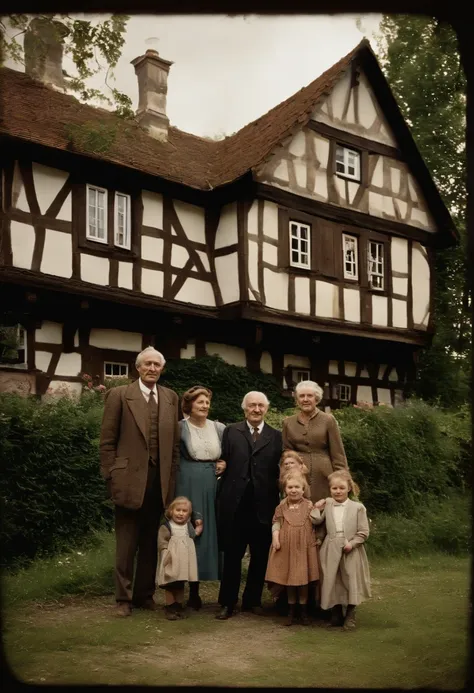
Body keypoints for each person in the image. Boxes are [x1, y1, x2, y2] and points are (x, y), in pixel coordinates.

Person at [99, 346, 180, 617]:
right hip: (128, 479)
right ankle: (123, 598)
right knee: (126, 543)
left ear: (162, 369)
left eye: (157, 364)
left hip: (159, 481)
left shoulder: (170, 398)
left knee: (149, 542)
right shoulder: (120, 395)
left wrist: (172, 481)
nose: (152, 368)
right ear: (138, 367)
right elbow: (107, 441)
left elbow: (175, 448)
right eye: (147, 364)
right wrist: (111, 476)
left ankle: (145, 595)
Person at [215, 391, 282, 620]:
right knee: (233, 556)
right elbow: (222, 460)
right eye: (252, 405)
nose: (256, 409)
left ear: (266, 409)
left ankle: (252, 600)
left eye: (260, 405)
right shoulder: (231, 431)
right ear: (244, 409)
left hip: (264, 504)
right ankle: (227, 602)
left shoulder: (276, 436)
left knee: (260, 555)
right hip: (235, 503)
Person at [175, 386, 226, 610]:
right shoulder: (180, 428)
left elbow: (229, 454)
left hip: (215, 485)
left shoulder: (220, 428)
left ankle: (219, 589)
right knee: (192, 531)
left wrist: (225, 463)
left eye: (207, 402)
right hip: (188, 481)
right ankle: (191, 591)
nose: (204, 405)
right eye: (199, 402)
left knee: (214, 533)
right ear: (189, 405)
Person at [311, 469, 371, 630]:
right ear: (330, 489)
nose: (338, 491)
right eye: (334, 488)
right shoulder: (328, 504)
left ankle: (350, 614)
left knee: (350, 579)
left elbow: (364, 532)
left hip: (350, 548)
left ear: (348, 488)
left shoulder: (358, 507)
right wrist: (317, 507)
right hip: (330, 547)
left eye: (341, 488)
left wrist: (352, 543)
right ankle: (336, 613)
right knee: (332, 579)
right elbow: (317, 520)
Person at [265, 473, 320, 626]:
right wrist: (276, 538)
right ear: (285, 489)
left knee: (302, 580)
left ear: (303, 490)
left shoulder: (309, 505)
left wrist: (319, 508)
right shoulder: (281, 506)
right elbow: (276, 523)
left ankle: (303, 612)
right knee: (289, 579)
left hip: (303, 547)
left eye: (297, 487)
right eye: (290, 487)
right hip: (286, 546)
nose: (293, 490)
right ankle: (291, 611)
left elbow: (317, 522)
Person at [282, 380, 348, 503]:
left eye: (309, 396)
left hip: (324, 473)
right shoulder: (288, 422)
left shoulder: (328, 420)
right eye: (301, 396)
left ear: (316, 399)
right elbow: (287, 452)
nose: (305, 399)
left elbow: (337, 452)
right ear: (297, 400)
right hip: (298, 476)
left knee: (323, 510)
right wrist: (290, 473)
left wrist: (342, 478)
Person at [157, 496, 200, 620]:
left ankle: (179, 606)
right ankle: (170, 607)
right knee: (170, 584)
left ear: (189, 514)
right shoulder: (167, 526)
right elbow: (162, 540)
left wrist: (198, 528)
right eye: (178, 510)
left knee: (180, 583)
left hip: (183, 561)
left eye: (184, 511)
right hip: (171, 560)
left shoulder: (187, 526)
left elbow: (192, 536)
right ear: (171, 511)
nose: (181, 513)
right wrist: (165, 551)